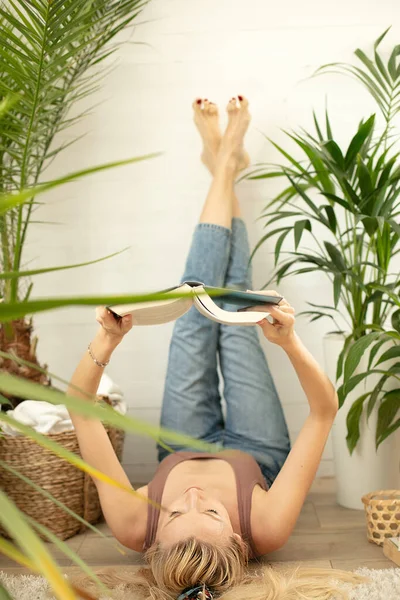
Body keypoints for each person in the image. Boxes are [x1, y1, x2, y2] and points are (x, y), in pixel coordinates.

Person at [68, 96, 342, 600]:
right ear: (239, 536)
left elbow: (80, 412)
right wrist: (289, 342)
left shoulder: (133, 525)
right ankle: (224, 161)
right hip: (255, 448)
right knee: (236, 309)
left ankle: (223, 163)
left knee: (195, 300)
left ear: (152, 542)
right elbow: (324, 411)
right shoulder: (268, 525)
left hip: (181, 441)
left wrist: (106, 338)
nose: (192, 496)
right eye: (212, 512)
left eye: (174, 513)